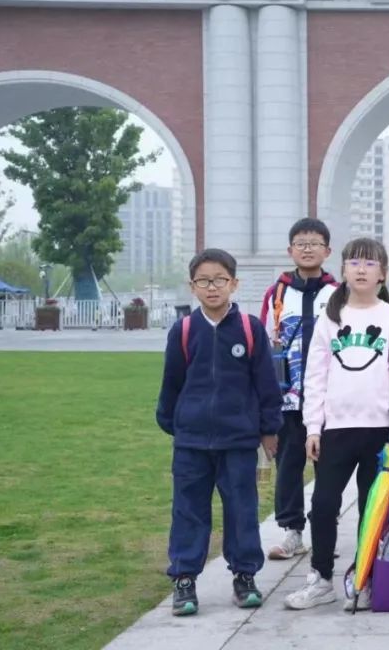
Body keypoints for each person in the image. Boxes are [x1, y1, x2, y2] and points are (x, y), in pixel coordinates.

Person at [285, 238, 389, 611]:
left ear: (382, 274)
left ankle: (364, 578)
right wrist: (313, 427)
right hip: (336, 430)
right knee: (324, 504)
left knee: (371, 511)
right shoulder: (331, 318)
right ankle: (321, 578)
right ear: (342, 270)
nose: (361, 269)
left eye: (370, 264)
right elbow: (315, 376)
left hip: (378, 431)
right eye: (354, 262)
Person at [156, 248, 282, 616]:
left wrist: (268, 429)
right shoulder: (183, 331)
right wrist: (175, 423)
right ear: (192, 286)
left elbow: (266, 384)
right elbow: (171, 384)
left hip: (238, 441)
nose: (212, 287)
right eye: (204, 281)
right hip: (192, 443)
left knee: (242, 511)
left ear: (234, 284)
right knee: (188, 511)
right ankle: (184, 579)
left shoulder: (249, 329)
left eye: (220, 280)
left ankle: (245, 576)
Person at [259, 218, 338, 562]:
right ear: (290, 250)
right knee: (289, 467)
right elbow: (264, 346)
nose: (308, 249)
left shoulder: (338, 293)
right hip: (288, 399)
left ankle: (325, 530)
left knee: (329, 469)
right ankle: (292, 531)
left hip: (329, 401)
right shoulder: (276, 293)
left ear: (327, 251)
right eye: (301, 244)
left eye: (314, 243)